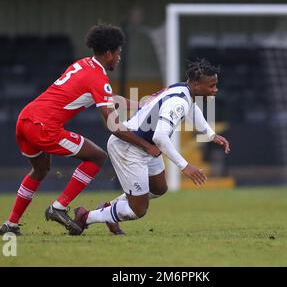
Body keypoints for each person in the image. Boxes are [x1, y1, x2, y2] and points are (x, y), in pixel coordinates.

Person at [0, 24, 160, 236]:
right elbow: (114, 126)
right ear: (109, 53)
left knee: (40, 170)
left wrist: (141, 104)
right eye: (118, 53)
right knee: (97, 157)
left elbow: (107, 99)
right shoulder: (98, 78)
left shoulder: (83, 65)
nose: (119, 58)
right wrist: (147, 146)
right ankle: (59, 207)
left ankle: (10, 223)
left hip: (26, 119)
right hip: (44, 127)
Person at [71, 59, 230, 235]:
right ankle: (85, 216)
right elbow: (160, 137)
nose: (215, 90)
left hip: (147, 147)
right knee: (137, 211)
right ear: (195, 84)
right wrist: (185, 167)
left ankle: (110, 208)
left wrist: (210, 134)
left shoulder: (183, 89)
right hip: (129, 147)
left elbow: (192, 109)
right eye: (211, 86)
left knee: (159, 188)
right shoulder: (178, 102)